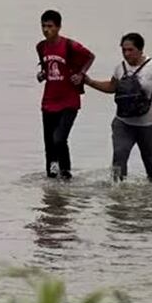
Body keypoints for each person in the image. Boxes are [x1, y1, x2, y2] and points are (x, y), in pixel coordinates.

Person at [85, 33, 152, 183]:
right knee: (119, 155)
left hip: (149, 125)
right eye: (124, 50)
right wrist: (89, 82)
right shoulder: (120, 68)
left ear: (140, 50)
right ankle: (118, 193)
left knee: (150, 161)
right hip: (123, 123)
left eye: (130, 50)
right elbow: (111, 87)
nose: (126, 54)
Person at [35, 10, 96, 180]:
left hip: (69, 101)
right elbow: (46, 69)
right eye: (43, 26)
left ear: (58, 27)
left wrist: (81, 74)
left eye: (50, 26)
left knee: (59, 138)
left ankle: (67, 173)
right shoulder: (41, 47)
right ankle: (52, 178)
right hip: (49, 100)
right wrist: (42, 74)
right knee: (49, 142)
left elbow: (90, 56)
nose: (46, 30)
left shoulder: (70, 45)